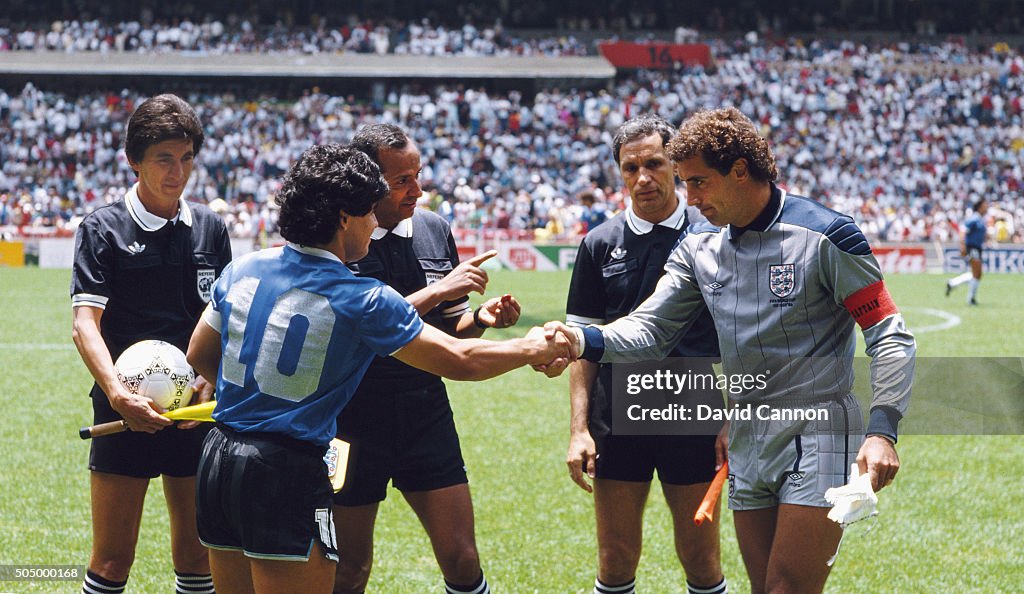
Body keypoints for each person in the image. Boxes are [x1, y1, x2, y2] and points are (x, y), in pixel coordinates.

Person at [545, 108, 916, 594]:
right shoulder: (698, 247)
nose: (691, 199)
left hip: (819, 427)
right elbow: (650, 329)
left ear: (740, 170)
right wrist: (581, 339)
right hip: (747, 433)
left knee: (786, 588)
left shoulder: (828, 235)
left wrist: (882, 431)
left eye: (698, 183)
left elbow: (889, 332)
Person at [186, 143, 571, 594]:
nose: (375, 222)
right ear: (345, 218)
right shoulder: (361, 297)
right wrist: (532, 346)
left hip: (218, 458)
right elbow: (459, 360)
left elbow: (199, 354)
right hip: (286, 469)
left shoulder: (245, 268)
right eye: (369, 211)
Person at [332, 123, 520, 594]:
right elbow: (358, 329)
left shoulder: (435, 228)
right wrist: (439, 288)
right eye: (402, 181)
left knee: (462, 558)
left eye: (418, 175)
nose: (417, 189)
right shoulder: (340, 238)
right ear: (367, 182)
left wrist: (483, 318)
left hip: (424, 410)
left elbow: (449, 328)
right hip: (350, 418)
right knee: (349, 568)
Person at [71, 93, 231, 594]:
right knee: (113, 561)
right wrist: (118, 393)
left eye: (186, 158)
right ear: (134, 160)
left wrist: (209, 378)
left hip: (196, 414)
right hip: (122, 409)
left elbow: (226, 317)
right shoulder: (102, 229)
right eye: (164, 158)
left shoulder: (211, 228)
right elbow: (84, 324)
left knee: (197, 557)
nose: (177, 171)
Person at [564, 115, 727, 594]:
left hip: (694, 411)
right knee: (615, 560)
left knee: (701, 558)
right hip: (617, 416)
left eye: (654, 163)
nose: (643, 177)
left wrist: (732, 414)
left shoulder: (714, 236)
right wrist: (578, 429)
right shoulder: (598, 244)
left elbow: (744, 337)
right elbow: (583, 343)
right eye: (630, 167)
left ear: (675, 165)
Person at [945, 198, 989, 305]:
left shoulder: (980, 219)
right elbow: (962, 232)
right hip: (972, 247)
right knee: (977, 273)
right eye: (985, 205)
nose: (987, 206)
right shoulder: (973, 219)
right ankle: (971, 299)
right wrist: (963, 247)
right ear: (980, 206)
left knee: (977, 274)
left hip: (977, 248)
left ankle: (953, 283)